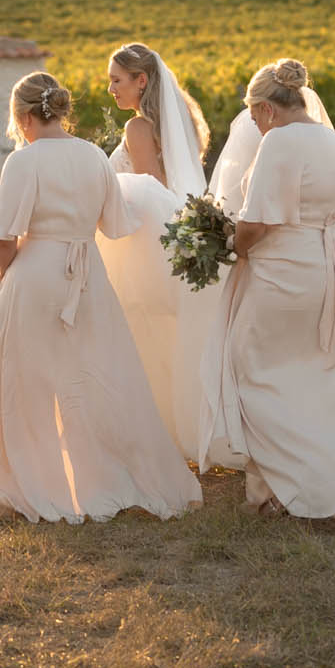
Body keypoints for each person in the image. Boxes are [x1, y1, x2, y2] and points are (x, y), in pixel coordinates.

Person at [0, 71, 202, 524]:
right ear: (60, 110)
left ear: (22, 119)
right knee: (96, 375)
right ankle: (108, 474)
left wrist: (5, 278)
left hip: (34, 273)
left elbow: (2, 236)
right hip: (88, 278)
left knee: (27, 381)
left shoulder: (23, 161)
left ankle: (36, 479)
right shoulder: (94, 155)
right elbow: (115, 223)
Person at [198, 58, 335, 524]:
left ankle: (287, 487)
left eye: (254, 116)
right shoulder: (330, 138)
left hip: (279, 275)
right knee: (307, 372)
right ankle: (276, 484)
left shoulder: (280, 141)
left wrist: (230, 243)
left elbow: (258, 222)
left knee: (253, 371)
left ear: (267, 109)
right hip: (323, 269)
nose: (256, 127)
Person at [94, 43, 216, 461]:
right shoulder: (169, 127)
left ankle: (153, 435)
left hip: (141, 245)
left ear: (140, 80)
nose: (110, 88)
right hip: (167, 239)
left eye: (116, 79)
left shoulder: (139, 129)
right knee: (166, 337)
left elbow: (149, 192)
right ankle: (177, 428)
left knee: (139, 337)